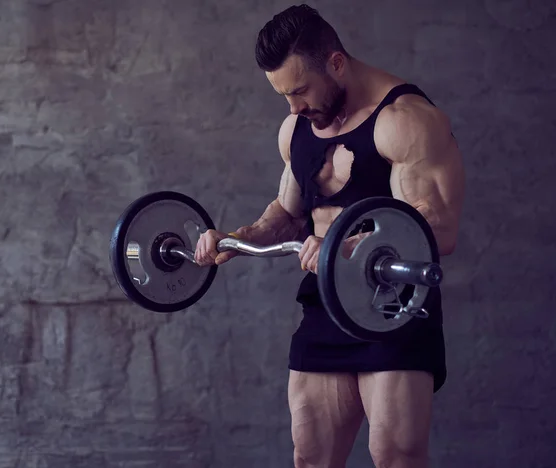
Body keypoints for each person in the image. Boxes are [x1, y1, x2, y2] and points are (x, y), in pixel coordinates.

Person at [194, 4, 465, 468]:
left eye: (300, 91)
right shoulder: (296, 127)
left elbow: (437, 228)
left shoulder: (405, 121)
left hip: (392, 311)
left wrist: (345, 246)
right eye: (284, 97)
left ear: (336, 63)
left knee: (395, 455)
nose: (295, 108)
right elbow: (287, 213)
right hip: (326, 306)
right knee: (311, 457)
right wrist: (237, 237)